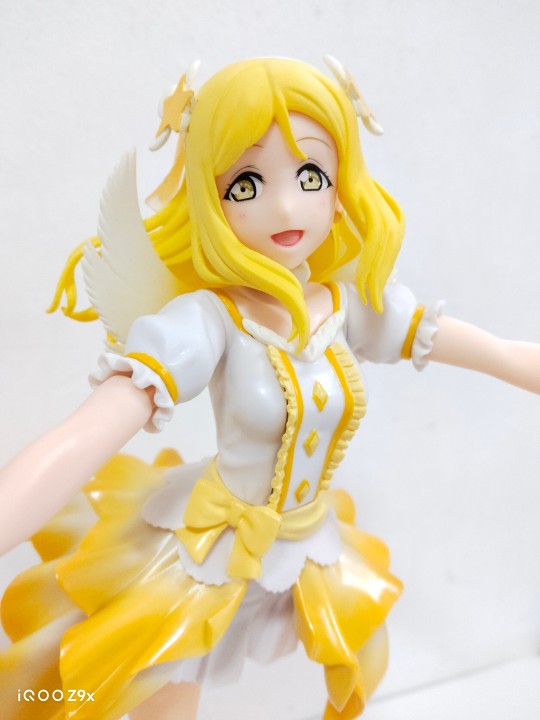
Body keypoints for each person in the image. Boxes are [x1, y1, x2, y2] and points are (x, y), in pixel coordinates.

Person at [1, 57, 539, 720]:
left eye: (310, 176)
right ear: (211, 197)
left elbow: (500, 353)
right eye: (247, 183)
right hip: (209, 548)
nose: (285, 207)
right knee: (163, 684)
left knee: (362, 658)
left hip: (308, 543)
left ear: (340, 184)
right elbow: (87, 433)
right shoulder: (207, 321)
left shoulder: (350, 308)